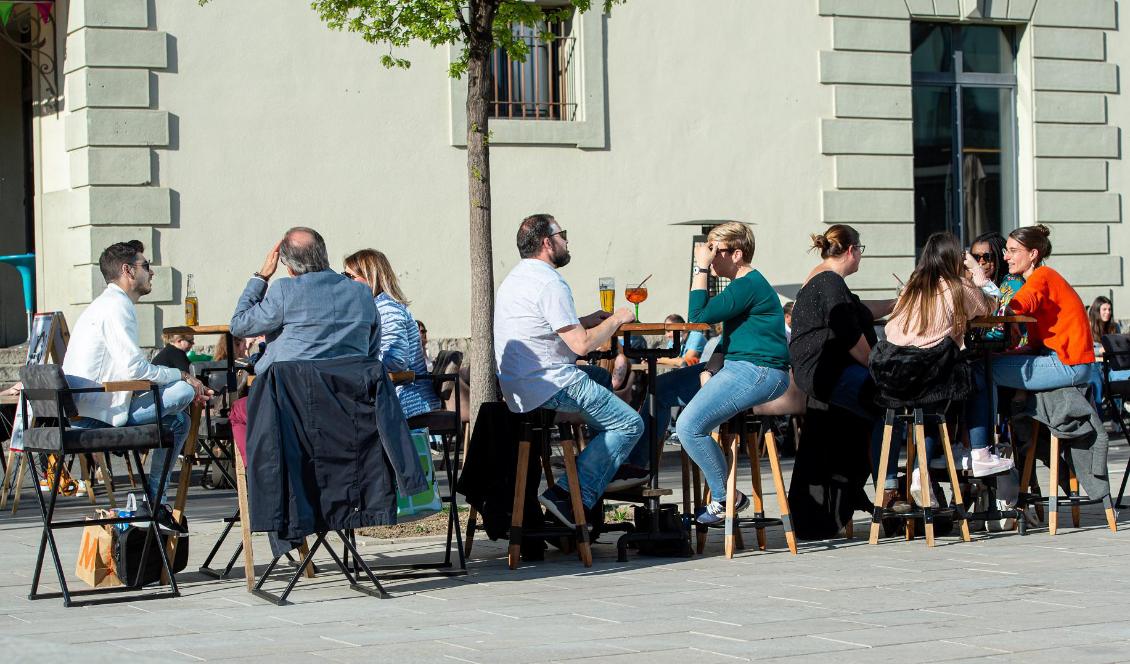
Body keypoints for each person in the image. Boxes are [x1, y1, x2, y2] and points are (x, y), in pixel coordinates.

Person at [632, 222, 791, 524]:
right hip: (738, 366)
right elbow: (730, 338)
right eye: (708, 251)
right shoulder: (740, 287)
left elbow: (698, 317)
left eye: (715, 251)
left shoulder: (749, 284)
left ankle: (725, 498)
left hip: (760, 371)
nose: (709, 256)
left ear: (737, 254)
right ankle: (638, 471)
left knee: (690, 425)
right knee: (662, 389)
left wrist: (700, 268)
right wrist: (710, 368)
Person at [494, 213, 646, 527]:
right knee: (631, 425)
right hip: (551, 384)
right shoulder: (550, 282)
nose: (567, 240)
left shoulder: (517, 278)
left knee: (602, 377)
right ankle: (566, 492)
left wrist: (587, 319)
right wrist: (616, 319)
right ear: (547, 242)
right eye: (563, 234)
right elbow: (582, 346)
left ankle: (608, 462)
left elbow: (545, 327)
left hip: (519, 384)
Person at [62, 240, 209, 517]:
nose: (151, 272)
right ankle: (155, 503)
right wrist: (182, 376)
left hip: (89, 407)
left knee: (179, 420)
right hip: (97, 416)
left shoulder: (104, 304)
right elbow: (135, 369)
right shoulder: (117, 307)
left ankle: (156, 504)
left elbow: (128, 372)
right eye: (146, 266)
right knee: (183, 394)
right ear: (128, 270)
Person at [227, 227, 380, 458]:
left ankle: (265, 480)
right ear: (324, 254)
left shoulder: (284, 290)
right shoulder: (361, 293)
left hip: (291, 405)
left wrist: (261, 277)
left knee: (239, 412)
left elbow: (239, 325)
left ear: (288, 266)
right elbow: (371, 351)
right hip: (348, 404)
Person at [874, 232, 1000, 497]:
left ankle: (922, 471)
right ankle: (979, 452)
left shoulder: (912, 286)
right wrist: (977, 272)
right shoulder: (957, 287)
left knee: (931, 405)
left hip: (890, 375)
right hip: (927, 372)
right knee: (976, 377)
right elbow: (992, 305)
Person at [789, 225, 895, 500]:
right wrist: (878, 368)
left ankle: (870, 483)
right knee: (891, 401)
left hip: (822, 370)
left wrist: (898, 303)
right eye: (860, 250)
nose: (860, 255)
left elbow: (860, 310)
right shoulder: (829, 282)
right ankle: (889, 486)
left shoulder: (827, 279)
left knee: (878, 405)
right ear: (852, 250)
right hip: (825, 372)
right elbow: (850, 334)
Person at [967, 225, 1097, 443]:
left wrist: (982, 282)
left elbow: (1013, 306)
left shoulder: (1042, 277)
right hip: (1067, 362)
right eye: (1006, 250)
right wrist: (1006, 355)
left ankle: (984, 447)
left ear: (1033, 254)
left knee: (980, 369)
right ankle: (1014, 441)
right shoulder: (1042, 279)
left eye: (1013, 251)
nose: (1006, 256)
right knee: (989, 363)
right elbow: (1034, 343)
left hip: (1068, 364)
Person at [343, 249, 440, 420]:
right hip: (394, 397)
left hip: (407, 401)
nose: (345, 282)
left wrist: (359, 363)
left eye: (350, 277)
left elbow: (395, 362)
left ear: (371, 278)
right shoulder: (377, 307)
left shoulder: (387, 309)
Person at [969, 231, 1026, 346]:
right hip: (989, 349)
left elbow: (1000, 328)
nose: (980, 262)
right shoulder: (972, 284)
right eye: (975, 258)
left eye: (987, 257)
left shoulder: (1013, 282)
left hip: (1014, 352)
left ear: (999, 257)